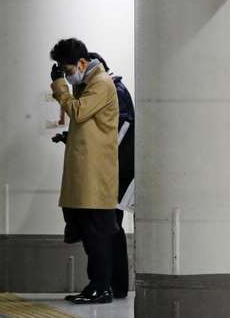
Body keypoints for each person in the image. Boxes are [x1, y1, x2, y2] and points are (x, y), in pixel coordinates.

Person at [49, 38, 119, 305]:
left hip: (96, 174)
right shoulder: (87, 84)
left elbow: (78, 113)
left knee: (97, 234)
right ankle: (94, 285)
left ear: (81, 63)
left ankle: (102, 287)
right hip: (86, 173)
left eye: (68, 70)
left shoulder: (101, 83)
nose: (67, 75)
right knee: (89, 234)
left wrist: (60, 87)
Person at [89, 52, 134, 299]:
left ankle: (114, 284)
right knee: (109, 227)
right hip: (111, 170)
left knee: (110, 228)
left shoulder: (116, 91)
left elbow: (121, 130)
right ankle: (111, 283)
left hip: (114, 172)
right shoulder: (113, 90)